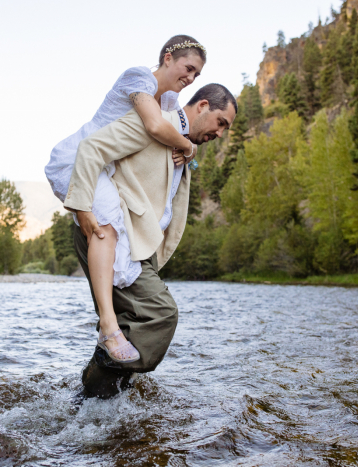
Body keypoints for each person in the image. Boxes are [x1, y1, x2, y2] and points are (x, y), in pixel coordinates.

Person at [64, 84, 237, 397]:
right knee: (160, 315)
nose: (221, 133)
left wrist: (189, 149)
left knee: (133, 323)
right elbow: (92, 148)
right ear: (202, 106)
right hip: (113, 237)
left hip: (141, 245)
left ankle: (96, 410)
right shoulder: (155, 121)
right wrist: (83, 208)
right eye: (221, 122)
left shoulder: (182, 143)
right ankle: (94, 391)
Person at [45, 35, 207, 363]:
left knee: (112, 235)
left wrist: (187, 151)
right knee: (106, 229)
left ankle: (112, 336)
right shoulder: (140, 77)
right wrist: (188, 147)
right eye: (188, 68)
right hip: (79, 160)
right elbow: (154, 126)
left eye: (197, 75)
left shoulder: (170, 101)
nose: (190, 79)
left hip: (103, 169)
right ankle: (107, 326)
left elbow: (171, 126)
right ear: (167, 58)